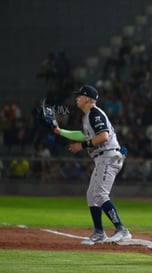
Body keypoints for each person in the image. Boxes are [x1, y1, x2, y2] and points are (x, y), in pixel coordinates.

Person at [53, 85, 131, 245]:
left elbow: (103, 136)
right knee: (92, 195)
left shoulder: (95, 113)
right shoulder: (88, 116)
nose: (77, 98)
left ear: (87, 99)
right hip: (103, 158)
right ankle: (99, 233)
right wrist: (60, 131)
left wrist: (81, 146)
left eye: (79, 96)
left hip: (109, 157)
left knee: (101, 195)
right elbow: (83, 135)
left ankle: (121, 229)